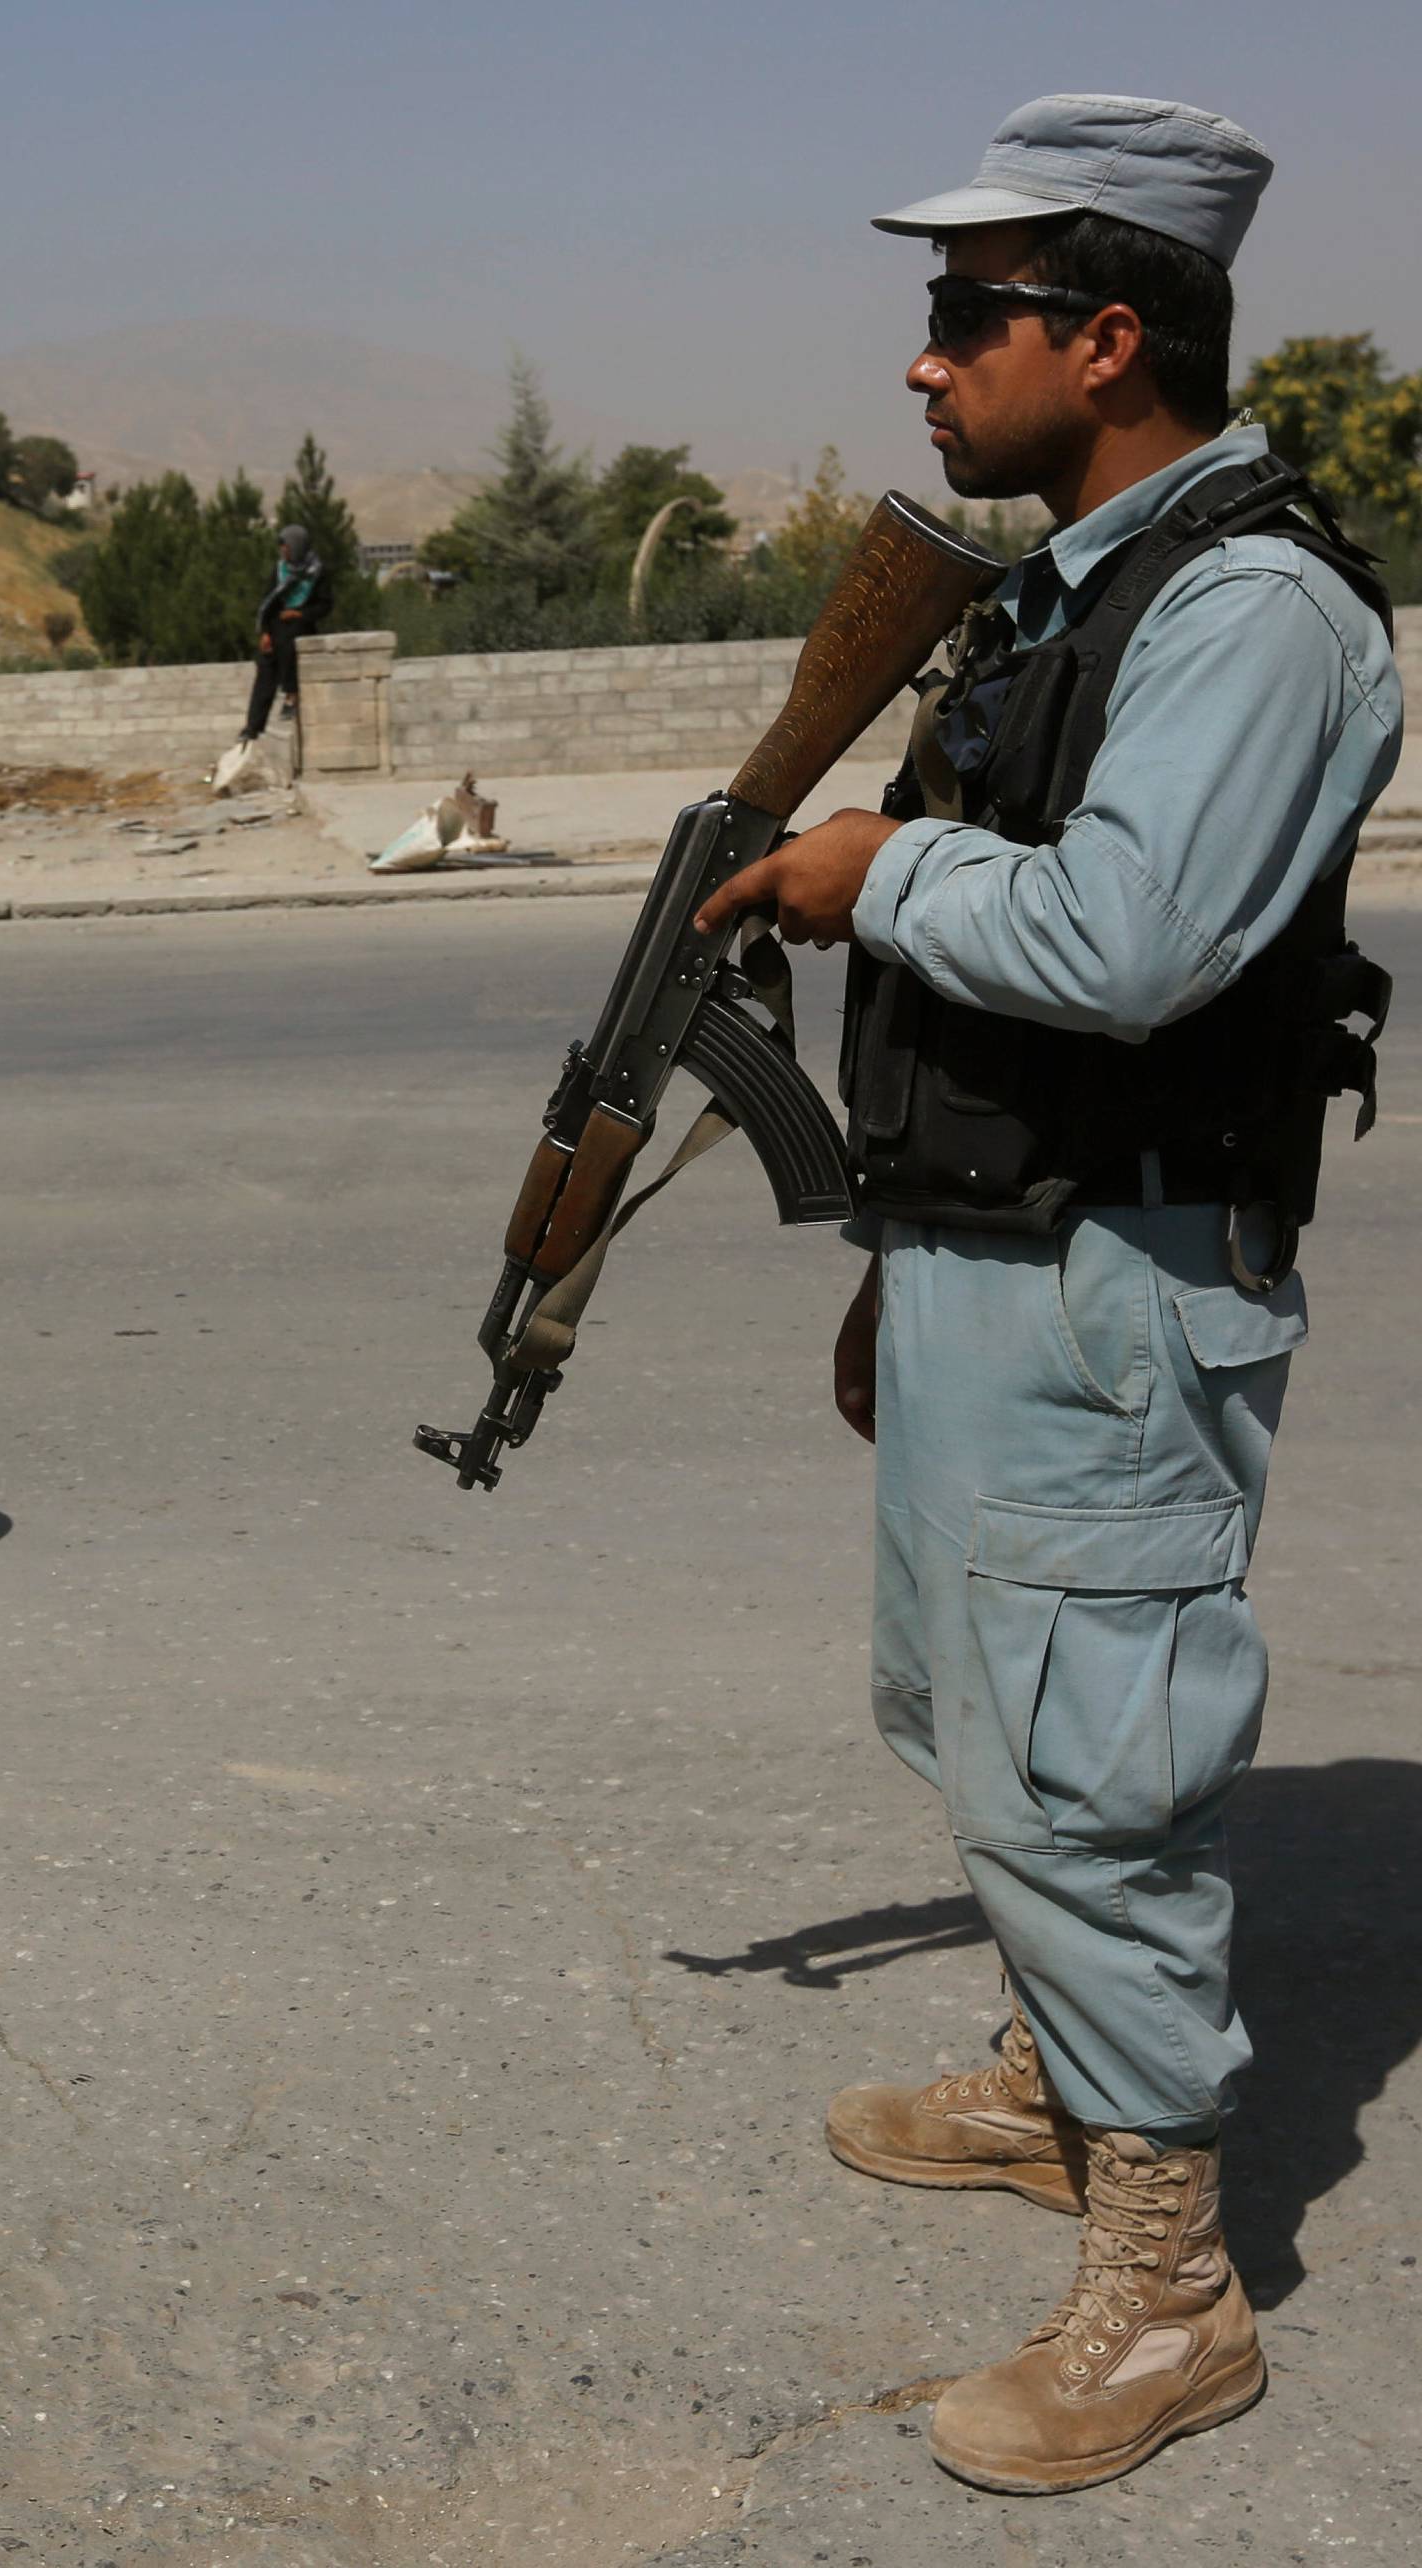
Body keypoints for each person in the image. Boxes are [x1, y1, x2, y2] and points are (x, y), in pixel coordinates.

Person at [694, 95, 1401, 2495]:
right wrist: (905, 1238)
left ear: (1104, 339)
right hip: (1003, 1245)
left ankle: (1169, 2285)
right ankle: (1054, 2082)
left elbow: (1123, 937)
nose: (918, 367)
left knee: (1087, 1763)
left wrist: (865, 865)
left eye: (956, 319)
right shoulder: (1077, 585)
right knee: (976, 1711)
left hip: (1120, 1271)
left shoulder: (1252, 606)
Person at [240, 523, 332, 740]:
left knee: (290, 642)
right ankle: (253, 726)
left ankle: (291, 695)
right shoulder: (280, 570)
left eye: (286, 546)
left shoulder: (316, 572)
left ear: (297, 546)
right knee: (265, 671)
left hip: (301, 625)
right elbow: (268, 602)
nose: (283, 551)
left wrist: (299, 614)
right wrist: (264, 633)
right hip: (275, 627)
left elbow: (325, 604)